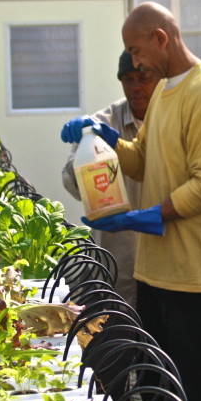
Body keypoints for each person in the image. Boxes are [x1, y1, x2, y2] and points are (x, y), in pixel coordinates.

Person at [61, 1, 201, 401]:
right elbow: (142, 160)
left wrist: (149, 216)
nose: (135, 62)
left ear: (161, 39)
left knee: (195, 393)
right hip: (157, 270)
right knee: (158, 387)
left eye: (136, 49)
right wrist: (104, 136)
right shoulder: (166, 91)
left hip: (194, 273)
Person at [61, 50, 160, 307]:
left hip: (164, 258)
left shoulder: (169, 120)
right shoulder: (102, 124)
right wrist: (86, 143)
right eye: (128, 79)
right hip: (116, 255)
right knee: (116, 332)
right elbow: (73, 181)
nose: (136, 86)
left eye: (143, 77)